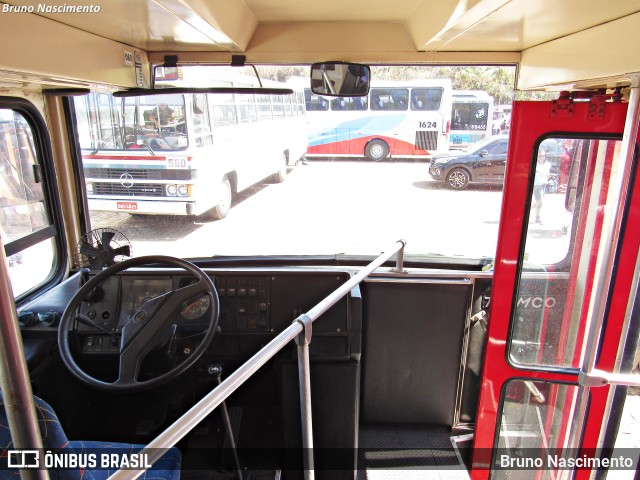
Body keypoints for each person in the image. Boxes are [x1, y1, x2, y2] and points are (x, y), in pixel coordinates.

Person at [532, 149, 551, 224]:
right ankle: (537, 218)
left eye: (543, 156)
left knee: (538, 202)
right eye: (539, 156)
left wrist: (549, 176)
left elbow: (547, 174)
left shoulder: (547, 164)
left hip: (544, 185)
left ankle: (523, 211)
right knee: (540, 202)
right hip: (537, 185)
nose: (541, 158)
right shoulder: (536, 165)